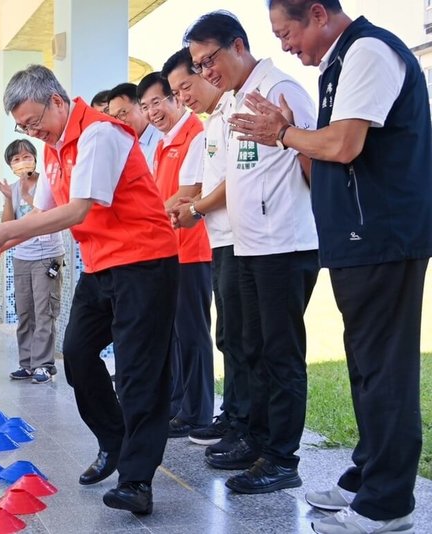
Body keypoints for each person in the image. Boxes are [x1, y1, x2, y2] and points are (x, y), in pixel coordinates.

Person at [229, 2, 432, 531]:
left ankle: (388, 505)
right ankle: (368, 474)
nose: (284, 45)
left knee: (385, 369)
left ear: (317, 14)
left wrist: (284, 133)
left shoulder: (368, 51)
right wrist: (294, 134)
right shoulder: (339, 64)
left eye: (287, 31)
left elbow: (343, 145)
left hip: (384, 237)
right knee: (366, 365)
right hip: (356, 239)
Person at [0, 64, 179, 515]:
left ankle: (137, 480)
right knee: (78, 355)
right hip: (103, 264)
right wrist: (2, 245)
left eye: (34, 122)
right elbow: (41, 212)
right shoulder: (54, 149)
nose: (33, 133)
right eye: (23, 127)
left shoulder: (101, 135)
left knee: (139, 371)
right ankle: (114, 440)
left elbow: (79, 210)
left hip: (146, 262)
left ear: (58, 102)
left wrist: (3, 234)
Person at [185, 11, 319, 494]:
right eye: (199, 65)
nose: (206, 72)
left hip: (285, 246)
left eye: (210, 59)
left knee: (281, 356)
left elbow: (314, 165)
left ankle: (283, 458)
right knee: (254, 350)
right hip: (249, 248)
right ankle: (257, 441)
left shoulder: (283, 90)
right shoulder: (238, 99)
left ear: (238, 45)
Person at [164, 48, 249, 453]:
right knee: (225, 336)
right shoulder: (211, 122)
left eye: (184, 86)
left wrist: (193, 208)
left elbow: (204, 190)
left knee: (230, 339)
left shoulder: (199, 131)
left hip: (216, 244)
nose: (183, 97)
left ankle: (234, 424)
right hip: (216, 240)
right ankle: (228, 416)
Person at [137, 71, 214, 439]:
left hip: (194, 249)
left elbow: (188, 192)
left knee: (193, 334)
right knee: (177, 334)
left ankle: (198, 412)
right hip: (170, 248)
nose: (152, 111)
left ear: (176, 100)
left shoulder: (194, 135)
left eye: (157, 102)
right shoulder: (166, 143)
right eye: (145, 105)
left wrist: (142, 221)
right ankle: (179, 404)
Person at [0, 139, 64, 384]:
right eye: (15, 159)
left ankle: (43, 365)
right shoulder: (12, 188)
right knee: (24, 312)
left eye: (26, 156)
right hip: (22, 256)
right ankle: (27, 363)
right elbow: (7, 225)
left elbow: (46, 212)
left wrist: (25, 194)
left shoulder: (49, 182)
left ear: (35, 158)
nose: (22, 161)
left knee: (44, 312)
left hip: (47, 256)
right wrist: (8, 197)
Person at [107, 82, 162, 170]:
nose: (119, 122)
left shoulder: (161, 139)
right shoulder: (123, 145)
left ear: (141, 106)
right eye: (113, 117)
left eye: (122, 113)